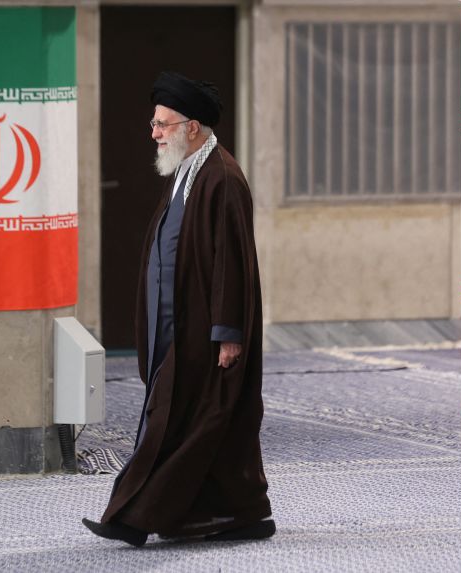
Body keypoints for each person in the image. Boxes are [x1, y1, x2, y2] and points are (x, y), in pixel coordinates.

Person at [82, 71, 274, 547]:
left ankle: (130, 518)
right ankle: (240, 515)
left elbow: (233, 261)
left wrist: (228, 333)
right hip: (177, 329)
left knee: (184, 426)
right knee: (205, 430)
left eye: (163, 124)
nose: (154, 133)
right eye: (154, 124)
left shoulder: (222, 177)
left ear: (192, 127)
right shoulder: (188, 170)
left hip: (203, 336)